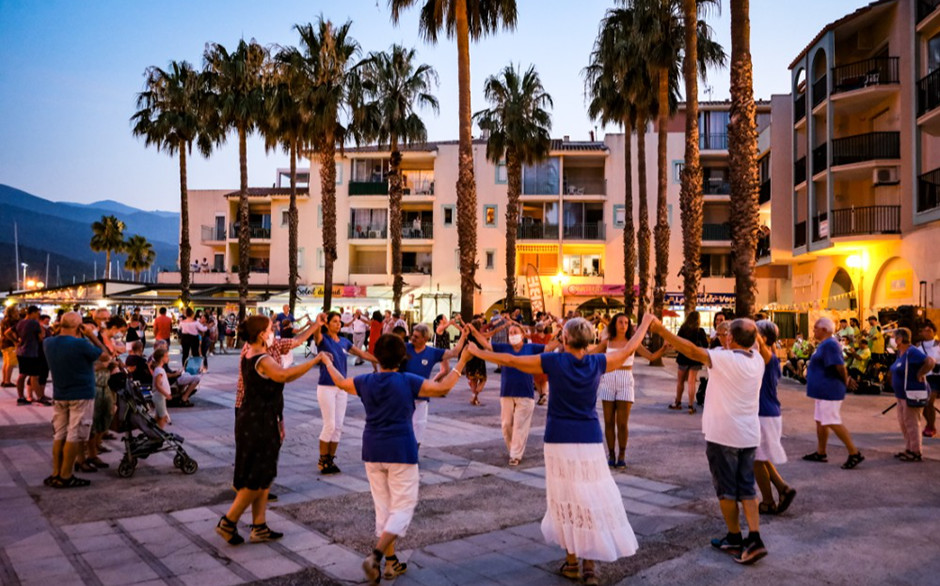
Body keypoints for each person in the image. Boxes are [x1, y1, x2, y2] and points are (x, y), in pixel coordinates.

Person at [467, 316, 654, 583]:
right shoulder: (598, 362)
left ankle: (571, 562)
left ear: (564, 339)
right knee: (589, 497)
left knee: (564, 497)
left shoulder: (554, 361)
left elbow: (511, 361)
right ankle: (589, 565)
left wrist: (478, 351)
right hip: (589, 438)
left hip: (558, 438)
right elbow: (626, 351)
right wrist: (646, 323)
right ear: (588, 340)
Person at [321, 334, 472, 583]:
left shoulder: (366, 381)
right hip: (401, 450)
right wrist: (462, 361)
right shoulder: (407, 380)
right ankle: (377, 555)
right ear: (403, 357)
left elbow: (340, 382)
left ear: (377, 357)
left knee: (383, 509)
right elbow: (443, 388)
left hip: (372, 450)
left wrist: (327, 363)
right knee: (402, 507)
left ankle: (391, 564)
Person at [651, 317, 770, 565]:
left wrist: (663, 330)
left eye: (728, 334)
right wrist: (741, 334)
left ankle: (734, 537)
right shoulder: (757, 360)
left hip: (723, 435)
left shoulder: (725, 359)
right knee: (746, 487)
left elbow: (692, 350)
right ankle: (755, 537)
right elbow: (757, 347)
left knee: (726, 489)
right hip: (748, 434)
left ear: (731, 338)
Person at [215, 315, 324, 546]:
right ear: (261, 334)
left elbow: (274, 386)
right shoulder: (260, 357)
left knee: (264, 477)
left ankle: (259, 526)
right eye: (270, 328)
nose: (273, 330)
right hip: (257, 422)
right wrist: (315, 361)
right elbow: (284, 375)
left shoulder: (254, 351)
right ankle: (228, 521)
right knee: (257, 477)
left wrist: (279, 420)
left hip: (260, 418)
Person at [474, 322, 560, 466]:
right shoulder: (504, 348)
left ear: (522, 335)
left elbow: (548, 347)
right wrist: (473, 331)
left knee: (520, 425)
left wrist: (562, 338)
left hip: (525, 393)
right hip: (507, 391)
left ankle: (515, 455)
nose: (513, 335)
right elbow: (486, 345)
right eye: (511, 333)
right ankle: (513, 449)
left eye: (515, 332)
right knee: (506, 425)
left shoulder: (530, 348)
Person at [42, 312, 110, 488]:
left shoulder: (48, 343)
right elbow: (105, 354)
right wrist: (90, 335)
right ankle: (66, 475)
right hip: (81, 394)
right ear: (79, 326)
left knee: (59, 434)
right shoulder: (81, 344)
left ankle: (56, 473)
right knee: (74, 434)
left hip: (60, 394)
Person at [591, 313, 667, 469]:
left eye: (626, 322)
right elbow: (590, 354)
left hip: (626, 380)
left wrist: (664, 348)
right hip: (608, 380)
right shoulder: (608, 342)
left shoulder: (633, 343)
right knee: (608, 421)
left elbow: (651, 357)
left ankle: (622, 455)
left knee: (622, 423)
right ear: (615, 324)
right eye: (620, 322)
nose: (623, 325)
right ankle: (611, 454)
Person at [312, 312, 378, 475]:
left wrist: (381, 361)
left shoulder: (344, 341)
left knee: (339, 426)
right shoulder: (323, 340)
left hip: (342, 388)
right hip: (326, 386)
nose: (338, 324)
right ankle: (322, 461)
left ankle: (330, 460)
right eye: (334, 321)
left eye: (339, 322)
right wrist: (317, 322)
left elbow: (362, 353)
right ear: (327, 324)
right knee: (330, 425)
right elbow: (315, 334)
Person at [802, 318, 864, 469]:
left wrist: (846, 380)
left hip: (830, 389)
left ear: (824, 329)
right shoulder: (823, 345)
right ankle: (821, 452)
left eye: (816, 328)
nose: (813, 330)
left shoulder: (830, 344)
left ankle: (854, 452)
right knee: (820, 420)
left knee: (831, 420)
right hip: (822, 391)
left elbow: (839, 366)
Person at [753, 320, 796, 516]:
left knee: (755, 460)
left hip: (764, 413)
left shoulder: (767, 356)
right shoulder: (767, 358)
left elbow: (760, 345)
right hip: (766, 411)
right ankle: (782, 488)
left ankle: (768, 501)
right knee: (761, 457)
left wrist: (749, 330)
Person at [402, 323, 467, 447]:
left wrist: (463, 335)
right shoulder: (405, 348)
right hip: (404, 395)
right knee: (403, 425)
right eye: (412, 335)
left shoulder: (432, 352)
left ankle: (414, 451)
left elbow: (454, 352)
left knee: (419, 425)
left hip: (422, 396)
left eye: (416, 337)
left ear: (425, 339)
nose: (412, 338)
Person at [888, 327, 934, 462]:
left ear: (900, 339)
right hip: (901, 395)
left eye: (893, 337)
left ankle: (916, 451)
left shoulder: (912, 351)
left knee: (912, 424)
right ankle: (909, 448)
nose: (892, 339)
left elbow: (929, 361)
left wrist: (920, 374)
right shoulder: (900, 352)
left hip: (911, 394)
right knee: (904, 423)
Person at [670, 311, 709, 413]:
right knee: (692, 382)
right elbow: (705, 345)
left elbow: (677, 342)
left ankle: (678, 402)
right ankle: (691, 405)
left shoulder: (683, 330)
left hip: (683, 357)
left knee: (680, 381)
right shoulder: (700, 331)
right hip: (695, 359)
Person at [15, 305, 51, 405]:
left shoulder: (20, 322)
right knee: (34, 375)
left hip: (21, 351)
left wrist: (16, 341)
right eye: (37, 313)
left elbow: (9, 332)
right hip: (31, 351)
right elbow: (41, 337)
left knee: (22, 374)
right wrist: (42, 329)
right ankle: (40, 397)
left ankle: (21, 397)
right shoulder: (34, 323)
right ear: (33, 312)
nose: (38, 315)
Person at [918, 321, 940, 438]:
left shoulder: (938, 344)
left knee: (929, 401)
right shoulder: (918, 346)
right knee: (925, 403)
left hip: (937, 376)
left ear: (934, 332)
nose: (927, 333)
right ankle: (930, 425)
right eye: (924, 331)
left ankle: (931, 426)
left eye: (929, 330)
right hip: (925, 376)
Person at [150, 347, 172, 429]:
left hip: (161, 397)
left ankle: (154, 431)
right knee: (163, 416)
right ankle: (160, 433)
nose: (168, 358)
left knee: (158, 416)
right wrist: (167, 394)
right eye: (166, 356)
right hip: (159, 397)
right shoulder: (159, 370)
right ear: (162, 358)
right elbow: (157, 385)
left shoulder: (159, 369)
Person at [1, 307, 20, 388]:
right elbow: (10, 333)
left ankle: (4, 380)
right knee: (11, 363)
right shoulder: (12, 321)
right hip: (10, 344)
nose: (18, 311)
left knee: (6, 362)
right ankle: (7, 381)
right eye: (16, 310)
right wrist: (15, 341)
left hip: (3, 343)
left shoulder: (4, 320)